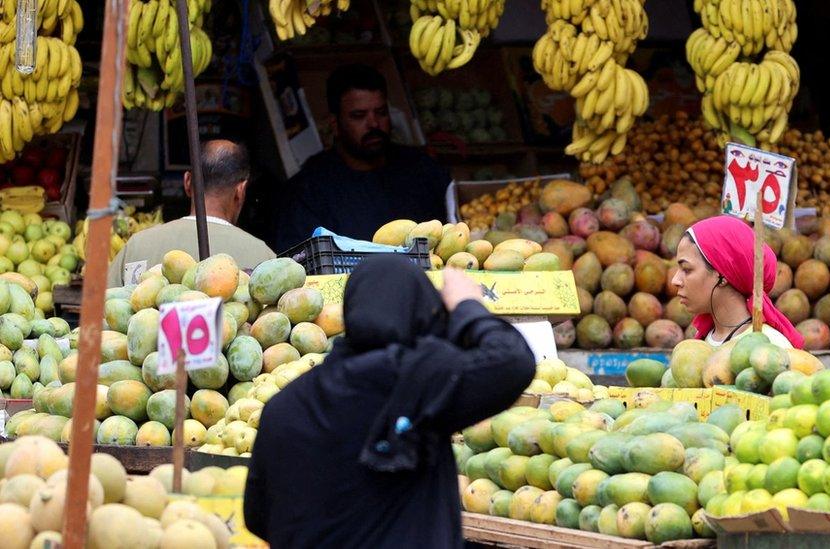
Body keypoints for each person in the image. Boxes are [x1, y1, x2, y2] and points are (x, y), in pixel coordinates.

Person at [243, 256, 535, 548]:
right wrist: (467, 306)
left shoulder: (283, 406)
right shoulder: (419, 382)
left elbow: (258, 516)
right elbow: (513, 362)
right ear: (422, 313)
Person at [274, 64, 452, 249]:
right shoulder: (308, 190)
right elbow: (297, 258)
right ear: (335, 124)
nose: (374, 124)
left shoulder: (423, 170)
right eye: (359, 116)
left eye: (381, 113)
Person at [108, 140, 276, 287]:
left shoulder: (137, 246)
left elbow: (100, 311)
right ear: (241, 190)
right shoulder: (264, 258)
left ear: (188, 182)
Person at [671, 216, 805, 348]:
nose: (675, 280)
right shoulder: (701, 343)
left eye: (687, 269)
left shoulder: (770, 347)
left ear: (722, 276)